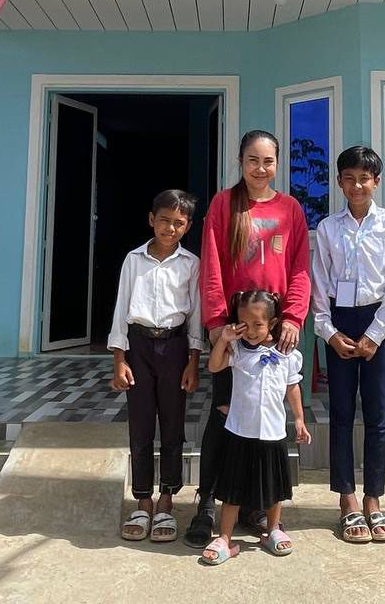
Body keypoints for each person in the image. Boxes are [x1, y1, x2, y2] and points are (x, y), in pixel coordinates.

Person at [184, 130, 312, 548]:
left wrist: (292, 317)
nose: (261, 169)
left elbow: (299, 269)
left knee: (266, 422)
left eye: (269, 161)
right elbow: (213, 268)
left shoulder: (290, 209)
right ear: (240, 161)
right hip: (234, 333)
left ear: (277, 164)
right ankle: (207, 501)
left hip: (273, 335)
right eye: (253, 160)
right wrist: (219, 323)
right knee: (226, 415)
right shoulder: (224, 204)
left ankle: (258, 504)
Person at [311, 146, 385, 544]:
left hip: (376, 323)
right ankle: (347, 497)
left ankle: (373, 497)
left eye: (364, 178)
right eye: (348, 178)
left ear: (376, 181)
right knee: (341, 411)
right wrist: (328, 331)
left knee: (377, 413)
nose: (356, 185)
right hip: (340, 321)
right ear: (339, 182)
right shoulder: (328, 228)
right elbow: (319, 283)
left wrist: (375, 334)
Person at [109, 189, 204, 543]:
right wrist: (119, 359)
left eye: (179, 223)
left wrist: (193, 361)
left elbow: (195, 316)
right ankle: (144, 500)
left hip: (176, 347)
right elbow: (121, 309)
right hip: (139, 345)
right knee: (141, 425)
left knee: (173, 424)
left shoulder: (190, 264)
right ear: (152, 219)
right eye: (164, 220)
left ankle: (167, 498)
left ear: (188, 226)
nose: (170, 228)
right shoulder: (134, 260)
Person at [200, 290, 311, 565]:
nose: (250, 331)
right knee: (232, 488)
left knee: (274, 487)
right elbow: (214, 367)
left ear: (272, 323)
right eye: (244, 324)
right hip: (240, 431)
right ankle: (225, 537)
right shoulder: (236, 350)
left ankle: (273, 528)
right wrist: (223, 340)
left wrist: (298, 418)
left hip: (273, 432)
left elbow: (292, 387)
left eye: (258, 324)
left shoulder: (287, 355)